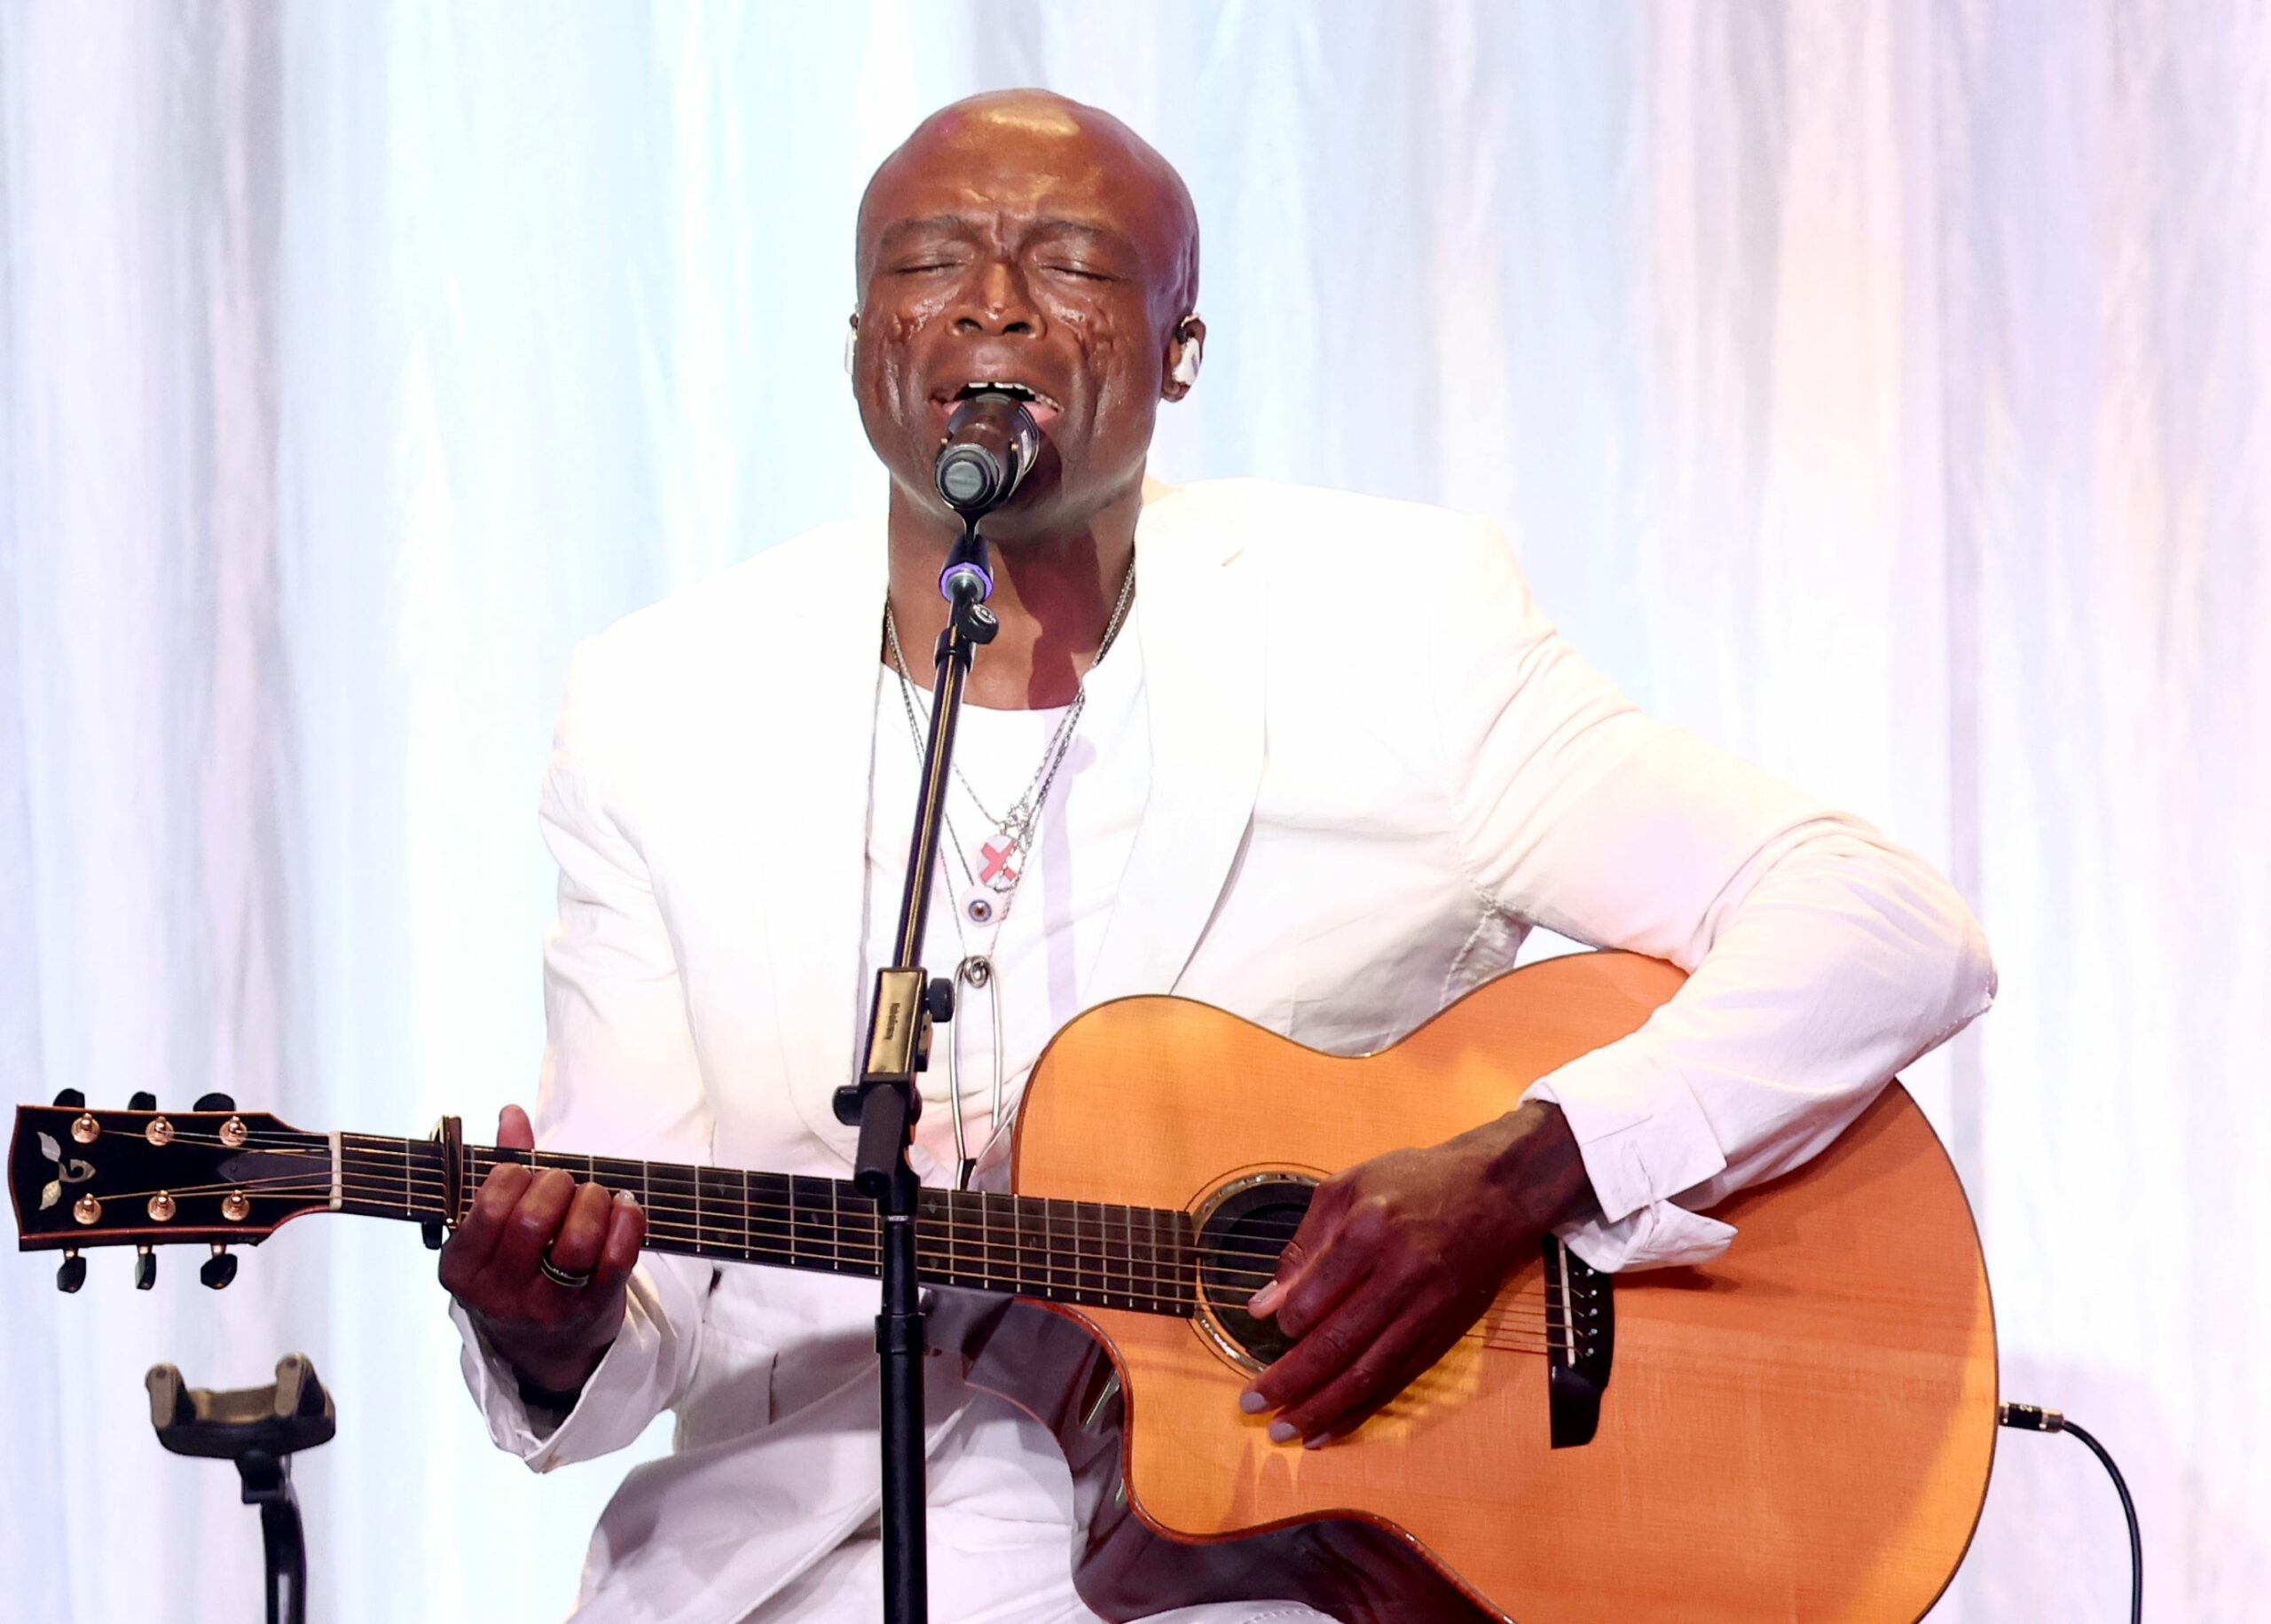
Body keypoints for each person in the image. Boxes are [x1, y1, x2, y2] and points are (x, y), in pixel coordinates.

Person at [437, 90, 1995, 1623]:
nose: (993, 305)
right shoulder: (658, 707)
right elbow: (646, 1304)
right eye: (928, 263)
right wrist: (552, 1323)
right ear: (859, 343)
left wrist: (1525, 1172)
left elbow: (1881, 926)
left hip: (1270, 1564)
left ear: (1181, 348)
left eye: (1072, 263)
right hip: (798, 1572)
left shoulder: (1390, 629)